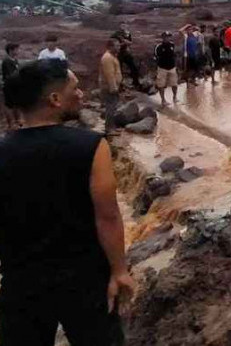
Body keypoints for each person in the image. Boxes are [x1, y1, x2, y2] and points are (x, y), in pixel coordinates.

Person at [0, 60, 135, 345]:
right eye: (75, 88)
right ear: (55, 99)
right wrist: (119, 271)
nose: (82, 94)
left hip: (21, 282)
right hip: (85, 280)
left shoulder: (4, 151)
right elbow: (107, 216)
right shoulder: (91, 146)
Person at [99, 39, 122, 136]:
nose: (119, 47)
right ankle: (109, 129)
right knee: (110, 108)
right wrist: (113, 88)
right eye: (116, 46)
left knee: (112, 107)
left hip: (112, 86)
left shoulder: (112, 57)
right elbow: (110, 75)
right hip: (109, 87)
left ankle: (112, 127)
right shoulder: (107, 58)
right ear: (110, 47)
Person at [111, 23, 140, 90]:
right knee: (119, 70)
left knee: (133, 67)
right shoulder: (115, 34)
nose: (124, 27)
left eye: (125, 25)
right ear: (119, 26)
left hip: (126, 53)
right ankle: (119, 86)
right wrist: (123, 43)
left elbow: (130, 42)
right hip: (118, 54)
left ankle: (136, 83)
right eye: (122, 25)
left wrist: (127, 43)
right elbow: (112, 44)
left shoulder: (127, 34)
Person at [155, 31, 178, 106]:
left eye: (168, 37)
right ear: (163, 38)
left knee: (174, 84)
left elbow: (174, 54)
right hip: (162, 68)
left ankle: (175, 97)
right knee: (161, 85)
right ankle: (163, 100)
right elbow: (155, 57)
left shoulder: (172, 45)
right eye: (165, 37)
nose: (167, 38)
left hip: (172, 67)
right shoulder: (159, 46)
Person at [1, 43, 21, 129]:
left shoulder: (15, 60)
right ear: (11, 50)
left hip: (16, 87)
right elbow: (10, 75)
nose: (18, 51)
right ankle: (10, 124)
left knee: (17, 105)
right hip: (9, 86)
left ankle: (17, 122)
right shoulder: (7, 61)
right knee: (9, 106)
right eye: (16, 49)